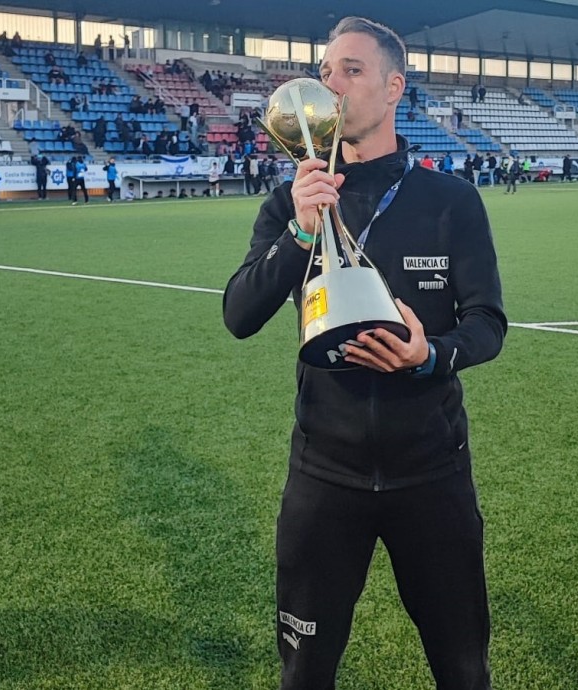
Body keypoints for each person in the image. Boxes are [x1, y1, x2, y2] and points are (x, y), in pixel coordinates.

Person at [222, 16, 505, 690]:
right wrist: (299, 229)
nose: (332, 83)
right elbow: (238, 315)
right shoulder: (291, 202)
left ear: (392, 87)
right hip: (325, 478)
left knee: (463, 671)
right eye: (326, 71)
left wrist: (428, 355)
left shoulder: (451, 202)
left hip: (432, 477)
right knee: (305, 674)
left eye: (351, 70)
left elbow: (488, 325)